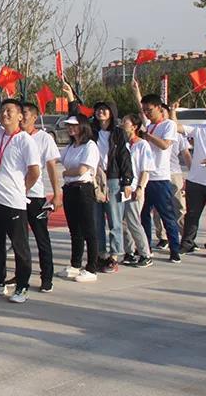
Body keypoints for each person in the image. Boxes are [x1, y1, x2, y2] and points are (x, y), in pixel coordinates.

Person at [0, 98, 40, 303]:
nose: (4, 114)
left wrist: (22, 189)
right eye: (2, 110)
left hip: (14, 202)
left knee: (20, 247)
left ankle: (22, 286)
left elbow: (35, 171)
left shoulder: (25, 140)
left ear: (20, 116)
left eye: (9, 110)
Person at [66, 87, 133, 274]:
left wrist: (127, 181)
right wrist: (71, 97)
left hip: (113, 179)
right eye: (98, 109)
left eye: (105, 109)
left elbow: (124, 157)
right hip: (94, 179)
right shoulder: (91, 131)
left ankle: (114, 256)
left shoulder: (118, 133)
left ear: (112, 112)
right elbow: (76, 119)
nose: (100, 112)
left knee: (115, 220)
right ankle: (100, 255)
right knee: (96, 221)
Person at [131, 80, 182, 262]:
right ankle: (146, 249)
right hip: (144, 179)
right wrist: (136, 91)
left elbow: (165, 145)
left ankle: (175, 250)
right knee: (143, 215)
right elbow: (140, 107)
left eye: (149, 110)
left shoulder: (168, 125)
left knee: (167, 216)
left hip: (160, 178)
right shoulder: (149, 125)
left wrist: (147, 136)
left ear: (159, 108)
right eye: (145, 110)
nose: (146, 113)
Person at [172, 98, 206, 258]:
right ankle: (187, 243)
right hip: (196, 180)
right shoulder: (199, 128)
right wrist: (173, 111)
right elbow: (175, 128)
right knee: (192, 215)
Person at [20, 102, 62, 291]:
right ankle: (21, 275)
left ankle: (47, 277)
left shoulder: (44, 138)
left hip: (35, 196)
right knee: (19, 240)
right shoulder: (15, 136)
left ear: (34, 117)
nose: (22, 116)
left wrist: (57, 193)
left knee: (41, 238)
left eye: (25, 113)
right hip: (16, 196)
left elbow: (52, 167)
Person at [57, 116, 101, 283]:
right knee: (75, 230)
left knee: (89, 229)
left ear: (83, 126)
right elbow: (58, 159)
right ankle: (75, 264)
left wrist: (65, 172)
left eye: (74, 126)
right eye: (69, 126)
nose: (71, 128)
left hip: (83, 189)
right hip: (70, 189)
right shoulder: (70, 146)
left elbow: (82, 170)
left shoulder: (90, 146)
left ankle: (91, 267)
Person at [120, 114, 155, 267]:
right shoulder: (122, 144)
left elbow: (145, 169)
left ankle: (145, 254)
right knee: (123, 222)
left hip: (135, 188)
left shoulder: (142, 145)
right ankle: (130, 252)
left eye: (125, 122)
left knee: (133, 221)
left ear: (134, 127)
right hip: (123, 188)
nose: (122, 124)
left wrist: (141, 187)